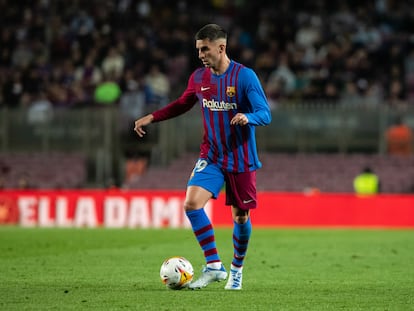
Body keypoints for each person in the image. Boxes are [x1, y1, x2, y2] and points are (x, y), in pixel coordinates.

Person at [134, 24, 271, 290]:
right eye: (198, 50)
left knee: (240, 217)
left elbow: (265, 113)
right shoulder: (199, 78)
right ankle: (214, 266)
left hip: (241, 157)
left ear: (221, 48)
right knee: (192, 204)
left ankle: (236, 270)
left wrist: (249, 117)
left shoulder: (245, 77)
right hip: (212, 155)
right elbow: (182, 103)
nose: (200, 55)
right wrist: (152, 117)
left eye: (205, 49)